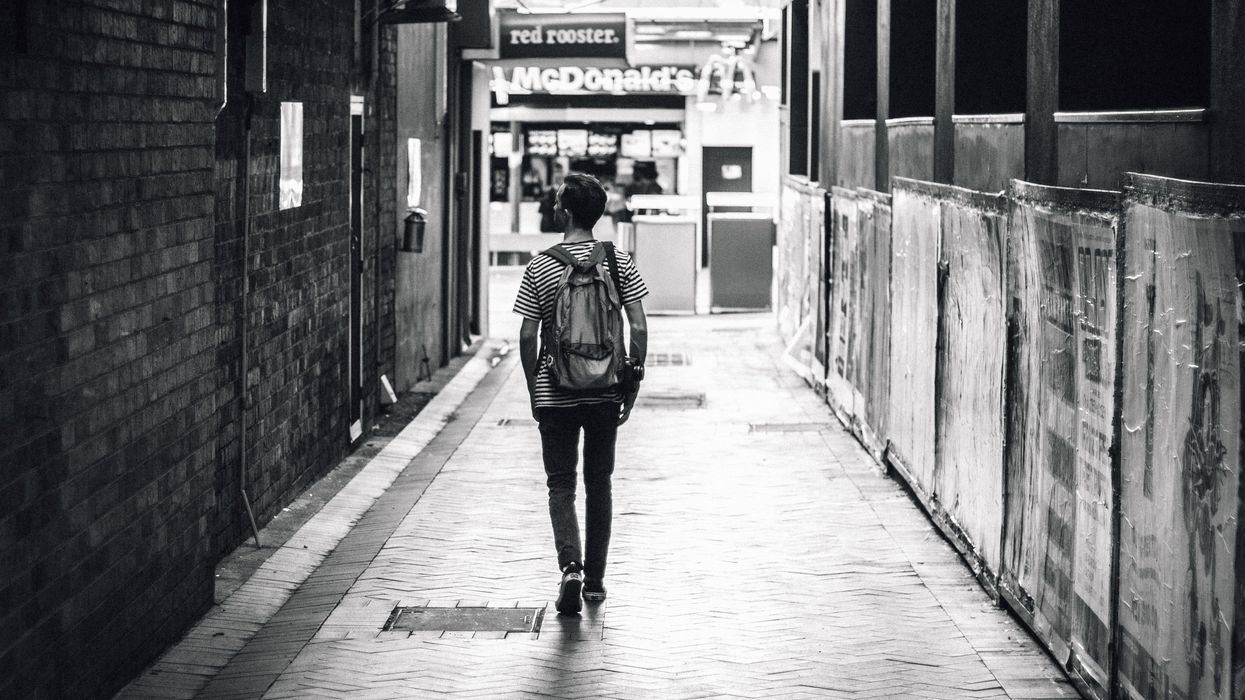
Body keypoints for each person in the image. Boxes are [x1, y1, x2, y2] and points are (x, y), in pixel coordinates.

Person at [513, 173, 649, 615]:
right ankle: (595, 582)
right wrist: (631, 379)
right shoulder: (618, 261)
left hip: (557, 391)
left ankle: (569, 568)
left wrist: (536, 387)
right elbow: (640, 326)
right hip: (606, 389)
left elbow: (528, 335)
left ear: (567, 212)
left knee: (560, 483)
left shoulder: (540, 266)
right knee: (599, 483)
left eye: (556, 202)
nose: (553, 208)